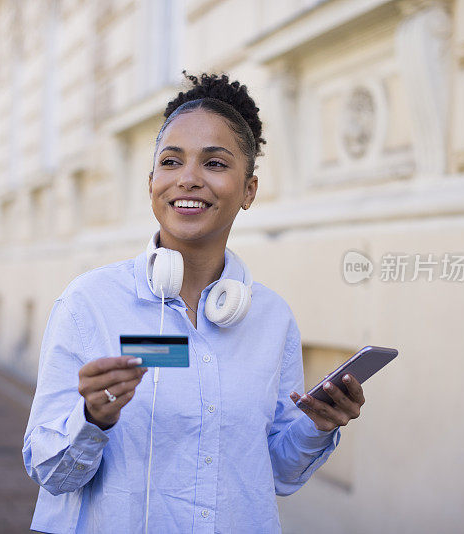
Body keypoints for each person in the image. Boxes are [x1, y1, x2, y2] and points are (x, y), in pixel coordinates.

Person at [22, 73, 366, 533]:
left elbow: (277, 474)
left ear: (249, 191)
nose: (188, 179)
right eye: (171, 161)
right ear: (151, 185)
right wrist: (92, 417)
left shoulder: (271, 319)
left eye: (215, 164)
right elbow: (49, 471)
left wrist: (319, 425)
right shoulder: (89, 304)